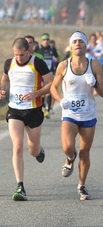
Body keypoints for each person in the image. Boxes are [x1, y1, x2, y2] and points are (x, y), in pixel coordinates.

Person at [0, 38, 53, 201]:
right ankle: (20, 186)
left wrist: (37, 93)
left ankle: (39, 150)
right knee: (18, 146)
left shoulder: (38, 63)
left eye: (22, 55)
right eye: (16, 54)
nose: (19, 58)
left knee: (33, 150)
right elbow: (5, 79)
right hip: (15, 110)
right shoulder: (9, 63)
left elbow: (52, 82)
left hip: (34, 110)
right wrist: (2, 90)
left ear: (29, 51)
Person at [50, 31, 103, 200]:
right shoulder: (63, 66)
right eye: (75, 41)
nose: (78, 44)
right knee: (68, 147)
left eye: (81, 41)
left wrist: (95, 84)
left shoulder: (94, 65)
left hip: (88, 113)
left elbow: (102, 92)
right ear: (71, 45)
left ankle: (81, 186)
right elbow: (53, 88)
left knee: (85, 152)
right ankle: (70, 158)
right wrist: (60, 100)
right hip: (70, 113)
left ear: (85, 45)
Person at [35, 33, 59, 118]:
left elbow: (57, 59)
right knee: (41, 91)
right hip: (41, 73)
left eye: (47, 40)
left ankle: (48, 109)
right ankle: (42, 107)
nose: (46, 41)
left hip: (50, 72)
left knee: (49, 90)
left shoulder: (52, 48)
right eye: (44, 40)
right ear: (42, 40)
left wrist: (56, 67)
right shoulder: (38, 49)